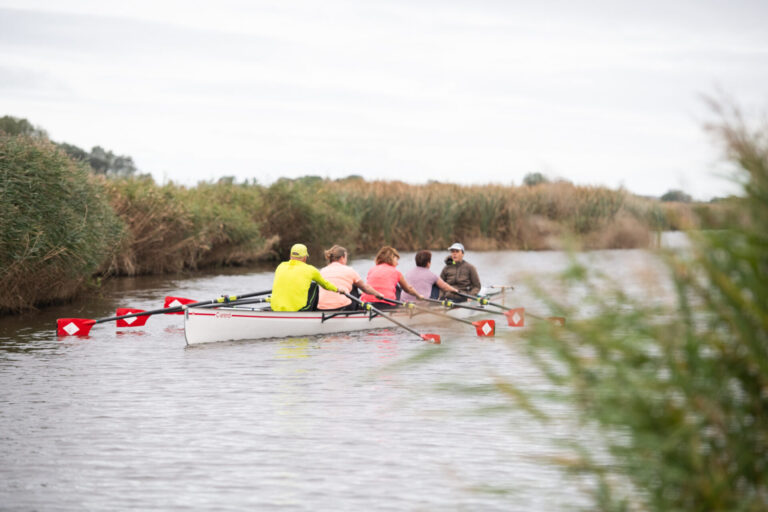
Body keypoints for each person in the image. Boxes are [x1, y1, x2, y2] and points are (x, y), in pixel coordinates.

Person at [270, 243, 348, 312]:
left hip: (275, 308)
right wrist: (337, 289)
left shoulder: (280, 266)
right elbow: (325, 285)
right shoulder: (310, 270)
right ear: (305, 258)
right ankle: (313, 314)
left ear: (290, 256)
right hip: (298, 310)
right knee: (314, 285)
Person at [317, 245, 385, 310]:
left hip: (322, 307)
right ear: (342, 258)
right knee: (354, 286)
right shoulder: (349, 270)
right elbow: (365, 288)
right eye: (346, 257)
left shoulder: (322, 271)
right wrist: (377, 294)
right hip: (342, 307)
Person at [359, 246, 425, 308]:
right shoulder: (396, 272)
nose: (397, 263)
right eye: (396, 260)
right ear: (391, 259)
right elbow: (408, 289)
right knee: (398, 287)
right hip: (385, 304)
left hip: (366, 304)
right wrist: (418, 296)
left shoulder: (372, 269)